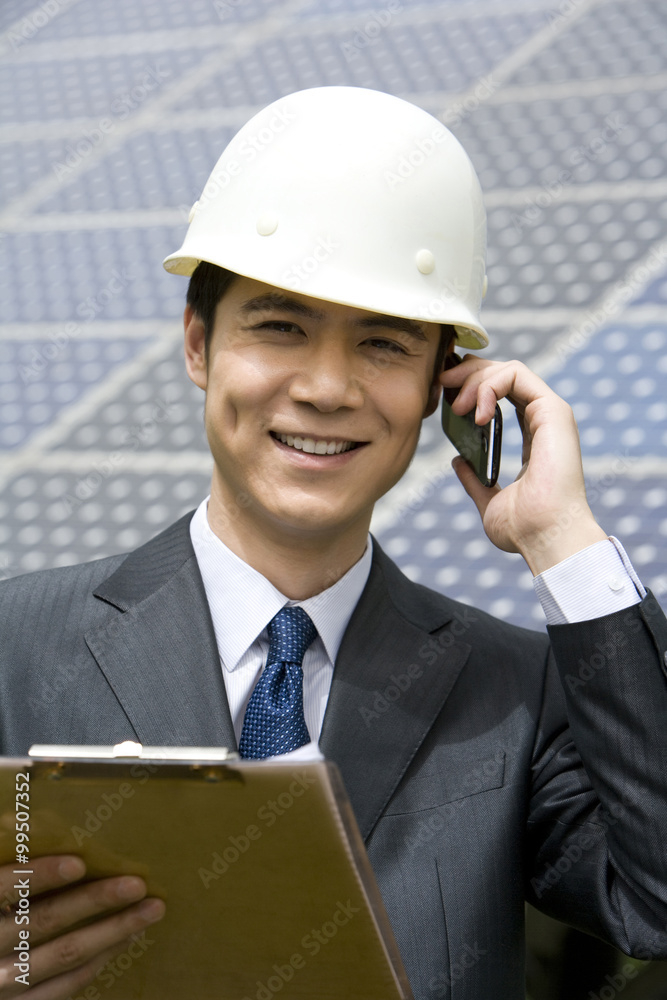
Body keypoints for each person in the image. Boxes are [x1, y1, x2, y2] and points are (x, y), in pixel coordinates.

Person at [0, 86, 666, 1000]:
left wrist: (563, 540)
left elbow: (657, 898)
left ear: (444, 386)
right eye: (280, 328)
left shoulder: (515, 693)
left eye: (383, 344)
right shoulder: (14, 644)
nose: (325, 387)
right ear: (199, 344)